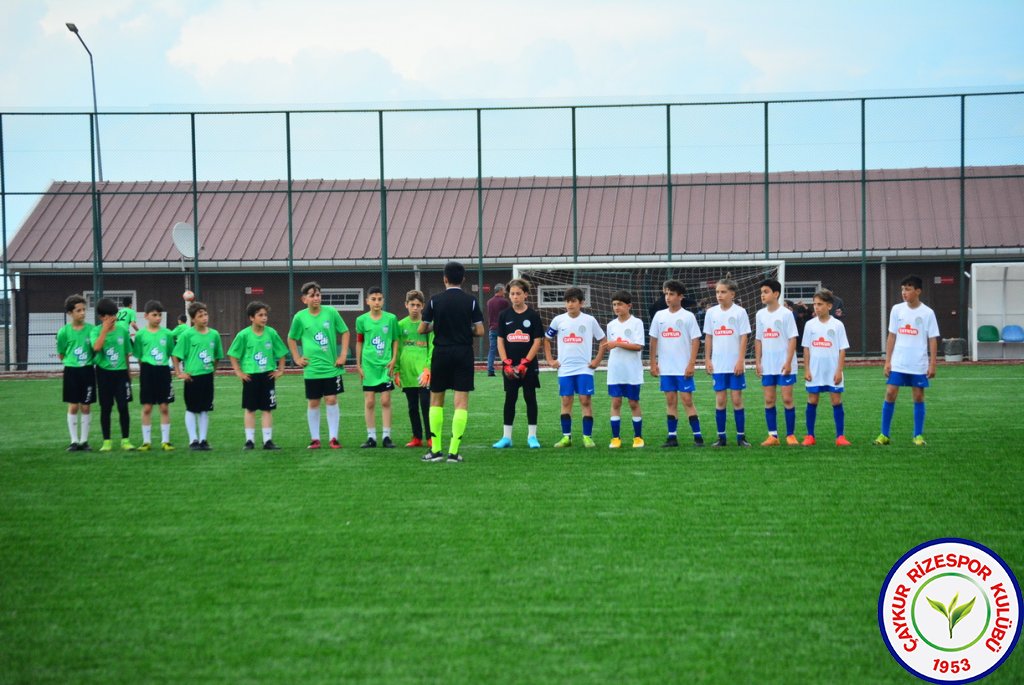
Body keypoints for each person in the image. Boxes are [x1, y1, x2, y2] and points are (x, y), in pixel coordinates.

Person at [419, 261, 484, 463]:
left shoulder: (434, 300)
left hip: (441, 353)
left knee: (436, 400)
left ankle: (436, 450)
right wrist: (465, 330)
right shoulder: (471, 301)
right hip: (463, 353)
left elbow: (422, 329)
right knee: (461, 402)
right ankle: (454, 453)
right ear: (463, 279)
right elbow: (480, 331)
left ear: (444, 278)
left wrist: (437, 327)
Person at [875, 275, 940, 446]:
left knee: (918, 396)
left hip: (918, 363)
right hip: (898, 362)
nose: (904, 292)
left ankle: (918, 435)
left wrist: (933, 363)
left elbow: (933, 339)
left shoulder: (927, 313)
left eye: (908, 289)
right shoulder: (897, 310)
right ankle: (884, 435)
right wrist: (887, 361)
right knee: (890, 393)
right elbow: (891, 336)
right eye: (903, 289)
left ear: (918, 291)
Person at [288, 282, 350, 449]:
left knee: (331, 399)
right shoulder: (300, 317)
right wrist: (296, 357)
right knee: (313, 402)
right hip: (312, 369)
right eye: (312, 295)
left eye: (318, 295)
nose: (316, 298)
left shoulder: (331, 312)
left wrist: (343, 354)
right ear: (304, 299)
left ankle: (333, 438)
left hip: (331, 367)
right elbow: (291, 338)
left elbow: (345, 332)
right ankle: (315, 439)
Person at [544, 286, 605, 448]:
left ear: (581, 303)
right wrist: (550, 360)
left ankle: (587, 437)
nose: (570, 305)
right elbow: (546, 340)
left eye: (573, 301)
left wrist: (597, 360)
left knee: (585, 400)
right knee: (566, 400)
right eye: (567, 301)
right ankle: (566, 437)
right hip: (565, 369)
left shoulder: (590, 320)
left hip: (584, 368)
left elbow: (603, 341)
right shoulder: (558, 320)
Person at [649, 280, 704, 447]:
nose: (668, 297)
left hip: (682, 367)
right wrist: (653, 363)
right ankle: (672, 437)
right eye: (666, 294)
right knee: (670, 401)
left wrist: (691, 364)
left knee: (687, 400)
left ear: (680, 296)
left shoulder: (688, 316)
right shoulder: (659, 316)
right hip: (666, 368)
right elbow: (653, 340)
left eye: (671, 294)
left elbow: (696, 341)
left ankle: (698, 437)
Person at [227, 301, 288, 450]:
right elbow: (233, 354)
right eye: (260, 315)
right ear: (251, 318)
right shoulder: (244, 335)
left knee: (267, 409)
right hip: (250, 376)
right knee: (250, 408)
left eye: (266, 315)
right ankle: (249, 441)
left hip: (268, 376)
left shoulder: (271, 333)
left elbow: (281, 352)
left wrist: (280, 369)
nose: (264, 318)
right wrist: (238, 371)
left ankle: (268, 441)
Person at [492, 278, 543, 449]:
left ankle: (532, 437)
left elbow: (537, 341)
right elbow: (500, 341)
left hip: (528, 367)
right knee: (510, 399)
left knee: (530, 398)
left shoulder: (533, 316)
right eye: (512, 294)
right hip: (509, 367)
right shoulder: (504, 315)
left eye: (518, 293)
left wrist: (525, 363)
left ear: (525, 295)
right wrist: (506, 362)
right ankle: (506, 437)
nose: (515, 297)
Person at [703, 278, 751, 447]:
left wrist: (740, 360)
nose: (719, 295)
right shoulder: (711, 313)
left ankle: (741, 437)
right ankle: (721, 437)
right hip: (718, 364)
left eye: (723, 292)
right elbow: (708, 336)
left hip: (735, 364)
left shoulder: (740, 312)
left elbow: (744, 337)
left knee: (737, 400)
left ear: (732, 294)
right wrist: (707, 359)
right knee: (720, 400)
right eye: (717, 292)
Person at [594, 290, 645, 449]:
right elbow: (611, 346)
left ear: (629, 306)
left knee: (633, 402)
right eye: (614, 305)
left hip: (632, 371)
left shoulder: (637, 323)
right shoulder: (611, 325)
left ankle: (638, 437)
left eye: (620, 304)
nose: (616, 307)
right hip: (615, 370)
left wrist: (617, 343)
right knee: (615, 402)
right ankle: (615, 438)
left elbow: (638, 346)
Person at [801, 289, 851, 447]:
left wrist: (839, 370)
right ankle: (810, 436)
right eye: (814, 304)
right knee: (812, 400)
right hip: (815, 370)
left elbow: (842, 349)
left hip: (832, 370)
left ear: (829, 306)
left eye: (820, 304)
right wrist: (807, 369)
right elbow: (806, 349)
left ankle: (840, 436)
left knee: (836, 401)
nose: (816, 307)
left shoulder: (837, 325)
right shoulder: (809, 325)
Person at [172, 301, 223, 450]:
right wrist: (179, 372)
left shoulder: (214, 334)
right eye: (200, 316)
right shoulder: (187, 335)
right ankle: (193, 440)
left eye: (205, 314)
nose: (204, 318)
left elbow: (217, 356)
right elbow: (176, 355)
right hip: (192, 377)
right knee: (191, 408)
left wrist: (212, 371)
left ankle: (203, 440)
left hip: (207, 377)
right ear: (193, 319)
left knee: (205, 409)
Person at [755, 280, 800, 446]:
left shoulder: (786, 314)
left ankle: (790, 435)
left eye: (766, 291)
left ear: (776, 294)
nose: (762, 294)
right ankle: (773, 436)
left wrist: (788, 362)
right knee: (769, 400)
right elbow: (758, 339)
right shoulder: (760, 314)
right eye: (761, 291)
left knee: (787, 399)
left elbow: (792, 339)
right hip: (768, 365)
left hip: (784, 365)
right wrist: (758, 362)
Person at [355, 287, 399, 448]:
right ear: (367, 301)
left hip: (385, 365)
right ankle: (371, 437)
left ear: (383, 301)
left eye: (379, 299)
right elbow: (359, 341)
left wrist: (394, 359)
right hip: (369, 366)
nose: (376, 302)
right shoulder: (361, 320)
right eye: (373, 299)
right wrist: (358, 364)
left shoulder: (391, 319)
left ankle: (387, 436)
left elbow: (395, 340)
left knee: (386, 400)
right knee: (370, 402)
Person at [90, 297, 136, 452]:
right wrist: (104, 330)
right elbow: (96, 348)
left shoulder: (122, 331)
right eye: (110, 316)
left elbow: (125, 354)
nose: (114, 319)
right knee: (106, 407)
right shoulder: (95, 331)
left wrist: (128, 372)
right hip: (104, 373)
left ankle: (126, 440)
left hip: (121, 374)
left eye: (115, 315)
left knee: (123, 406)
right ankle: (107, 441)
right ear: (102, 317)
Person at [133, 300, 176, 451]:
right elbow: (138, 355)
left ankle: (166, 441)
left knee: (164, 407)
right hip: (147, 371)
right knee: (147, 408)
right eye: (154, 315)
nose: (158, 318)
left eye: (159, 315)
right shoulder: (140, 335)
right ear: (146, 316)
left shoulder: (167, 334)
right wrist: (145, 368)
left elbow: (171, 352)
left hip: (163, 371)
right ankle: (146, 441)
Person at [56, 294, 95, 451]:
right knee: (73, 406)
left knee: (86, 406)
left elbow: (95, 349)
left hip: (87, 370)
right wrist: (72, 362)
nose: (83, 313)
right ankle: (74, 441)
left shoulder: (91, 330)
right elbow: (61, 353)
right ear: (70, 313)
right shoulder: (64, 332)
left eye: (84, 310)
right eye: (79, 310)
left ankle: (84, 441)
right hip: (72, 371)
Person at [395, 290, 433, 448]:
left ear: (423, 306)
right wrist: (397, 370)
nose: (415, 308)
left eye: (418, 305)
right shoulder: (400, 325)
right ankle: (416, 437)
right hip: (407, 372)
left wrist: (428, 368)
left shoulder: (427, 325)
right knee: (412, 406)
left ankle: (430, 437)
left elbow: (432, 347)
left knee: (425, 403)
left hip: (423, 372)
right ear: (406, 305)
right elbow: (396, 348)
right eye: (412, 305)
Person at [486, 283, 511, 376]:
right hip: (502, 328)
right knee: (506, 349)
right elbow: (508, 314)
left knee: (492, 349)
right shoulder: (504, 302)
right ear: (500, 290)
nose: (504, 292)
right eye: (503, 290)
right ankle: (507, 368)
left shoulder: (489, 302)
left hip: (492, 328)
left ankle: (490, 370)